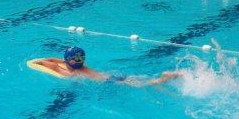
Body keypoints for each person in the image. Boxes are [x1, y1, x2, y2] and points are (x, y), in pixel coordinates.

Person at [32, 47, 181, 85]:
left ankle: (163, 78)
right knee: (140, 80)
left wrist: (44, 61)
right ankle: (162, 78)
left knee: (145, 85)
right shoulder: (83, 67)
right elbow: (58, 61)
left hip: (109, 82)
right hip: (111, 76)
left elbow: (49, 64)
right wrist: (53, 59)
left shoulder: (71, 72)